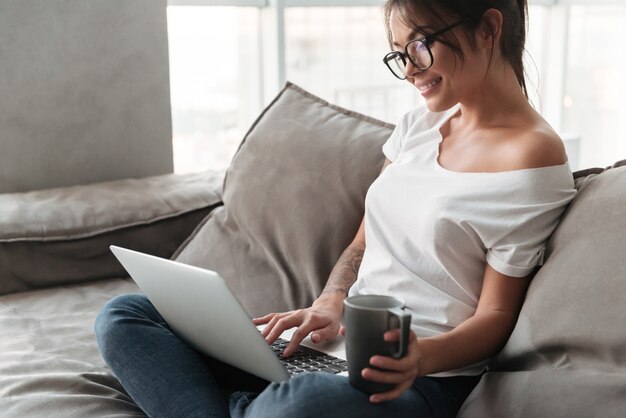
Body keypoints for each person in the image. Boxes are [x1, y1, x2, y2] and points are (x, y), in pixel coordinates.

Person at [95, 0, 577, 417]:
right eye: (399, 53)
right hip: (335, 349)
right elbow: (363, 242)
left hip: (419, 379)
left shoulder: (532, 158)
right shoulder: (418, 127)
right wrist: (329, 302)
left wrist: (417, 359)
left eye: (421, 45)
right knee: (127, 315)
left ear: (489, 28)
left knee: (305, 404)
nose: (409, 69)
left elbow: (494, 318)